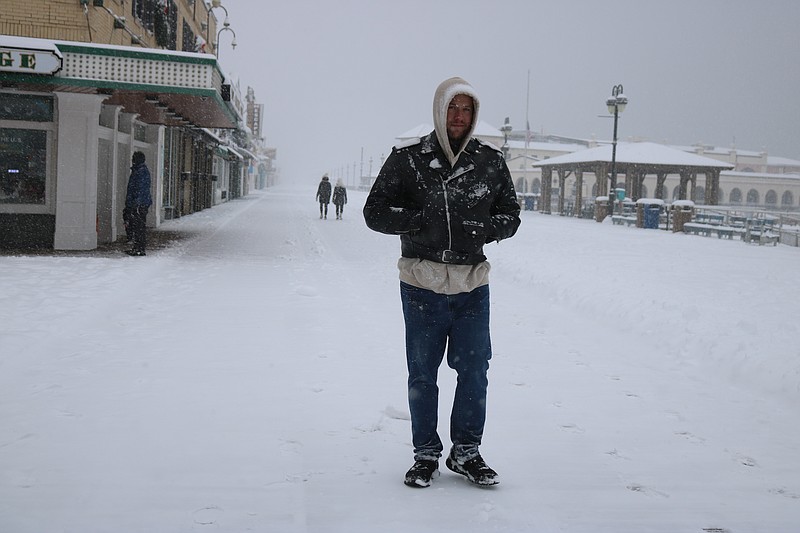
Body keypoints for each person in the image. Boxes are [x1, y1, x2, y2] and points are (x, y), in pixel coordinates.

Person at [363, 77, 521, 488]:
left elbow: (511, 213)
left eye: (467, 110)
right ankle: (425, 455)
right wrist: (419, 221)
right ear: (439, 111)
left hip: (472, 285)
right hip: (422, 283)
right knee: (422, 373)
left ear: (474, 116)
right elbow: (374, 211)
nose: (459, 117)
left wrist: (484, 228)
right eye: (453, 108)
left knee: (473, 370)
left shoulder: (490, 161)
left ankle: (466, 452)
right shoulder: (408, 159)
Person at [125, 151, 152, 256]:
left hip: (139, 205)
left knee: (139, 227)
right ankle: (138, 247)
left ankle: (139, 248)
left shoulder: (140, 172)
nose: (132, 160)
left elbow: (140, 189)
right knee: (138, 226)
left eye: (133, 158)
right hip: (139, 204)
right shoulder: (139, 171)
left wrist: (136, 204)